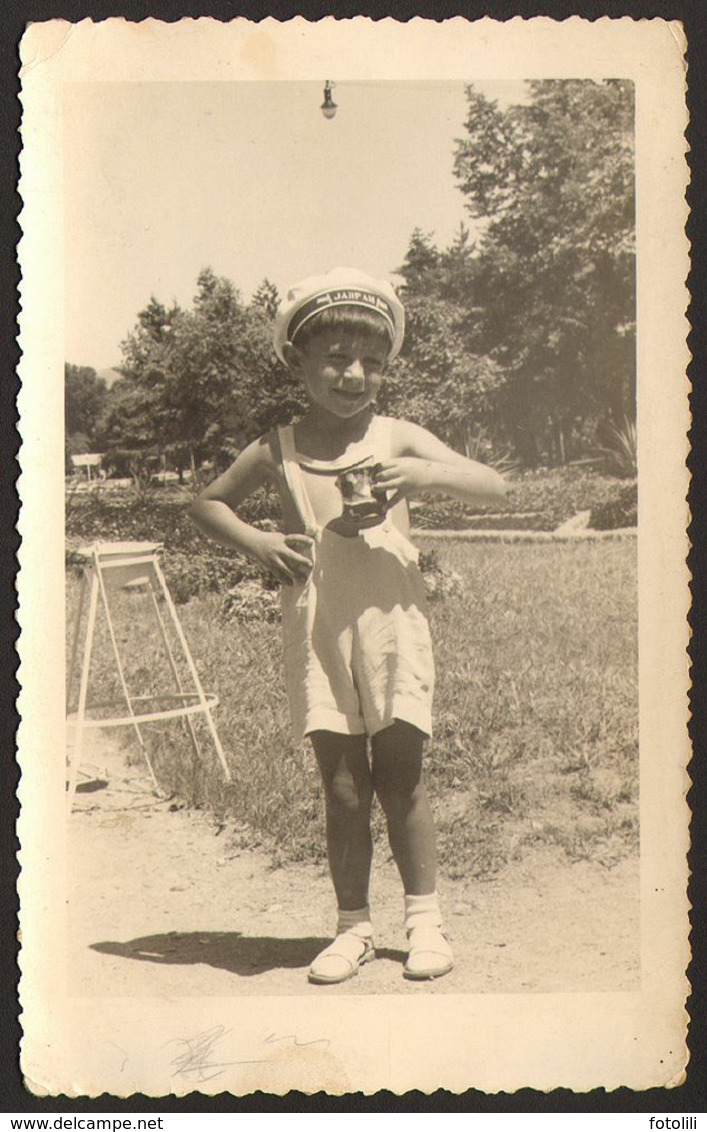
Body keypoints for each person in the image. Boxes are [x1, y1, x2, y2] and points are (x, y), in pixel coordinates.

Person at [190, 268, 507, 985]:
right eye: (334, 357)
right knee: (341, 787)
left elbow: (493, 482)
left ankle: (424, 922)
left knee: (402, 778)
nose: (353, 374)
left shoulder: (396, 435)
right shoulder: (279, 445)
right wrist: (260, 543)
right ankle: (352, 928)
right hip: (319, 631)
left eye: (370, 361)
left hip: (393, 626)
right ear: (298, 364)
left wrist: (422, 477)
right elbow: (206, 503)